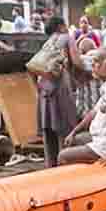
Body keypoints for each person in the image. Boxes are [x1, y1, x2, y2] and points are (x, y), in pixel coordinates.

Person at [36, 17, 86, 168]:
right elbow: (77, 62)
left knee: (49, 131)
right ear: (61, 26)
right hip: (59, 87)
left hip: (44, 89)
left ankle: (50, 167)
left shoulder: (46, 43)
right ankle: (65, 169)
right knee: (64, 129)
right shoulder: (66, 38)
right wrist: (88, 70)